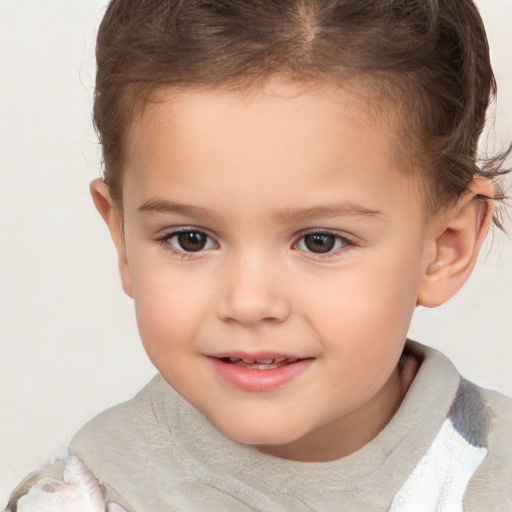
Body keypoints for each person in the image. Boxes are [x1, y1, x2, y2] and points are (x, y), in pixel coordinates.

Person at [5, 0, 511, 510]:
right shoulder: (88, 497)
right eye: (190, 239)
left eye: (320, 241)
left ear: (447, 245)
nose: (248, 303)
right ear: (123, 241)